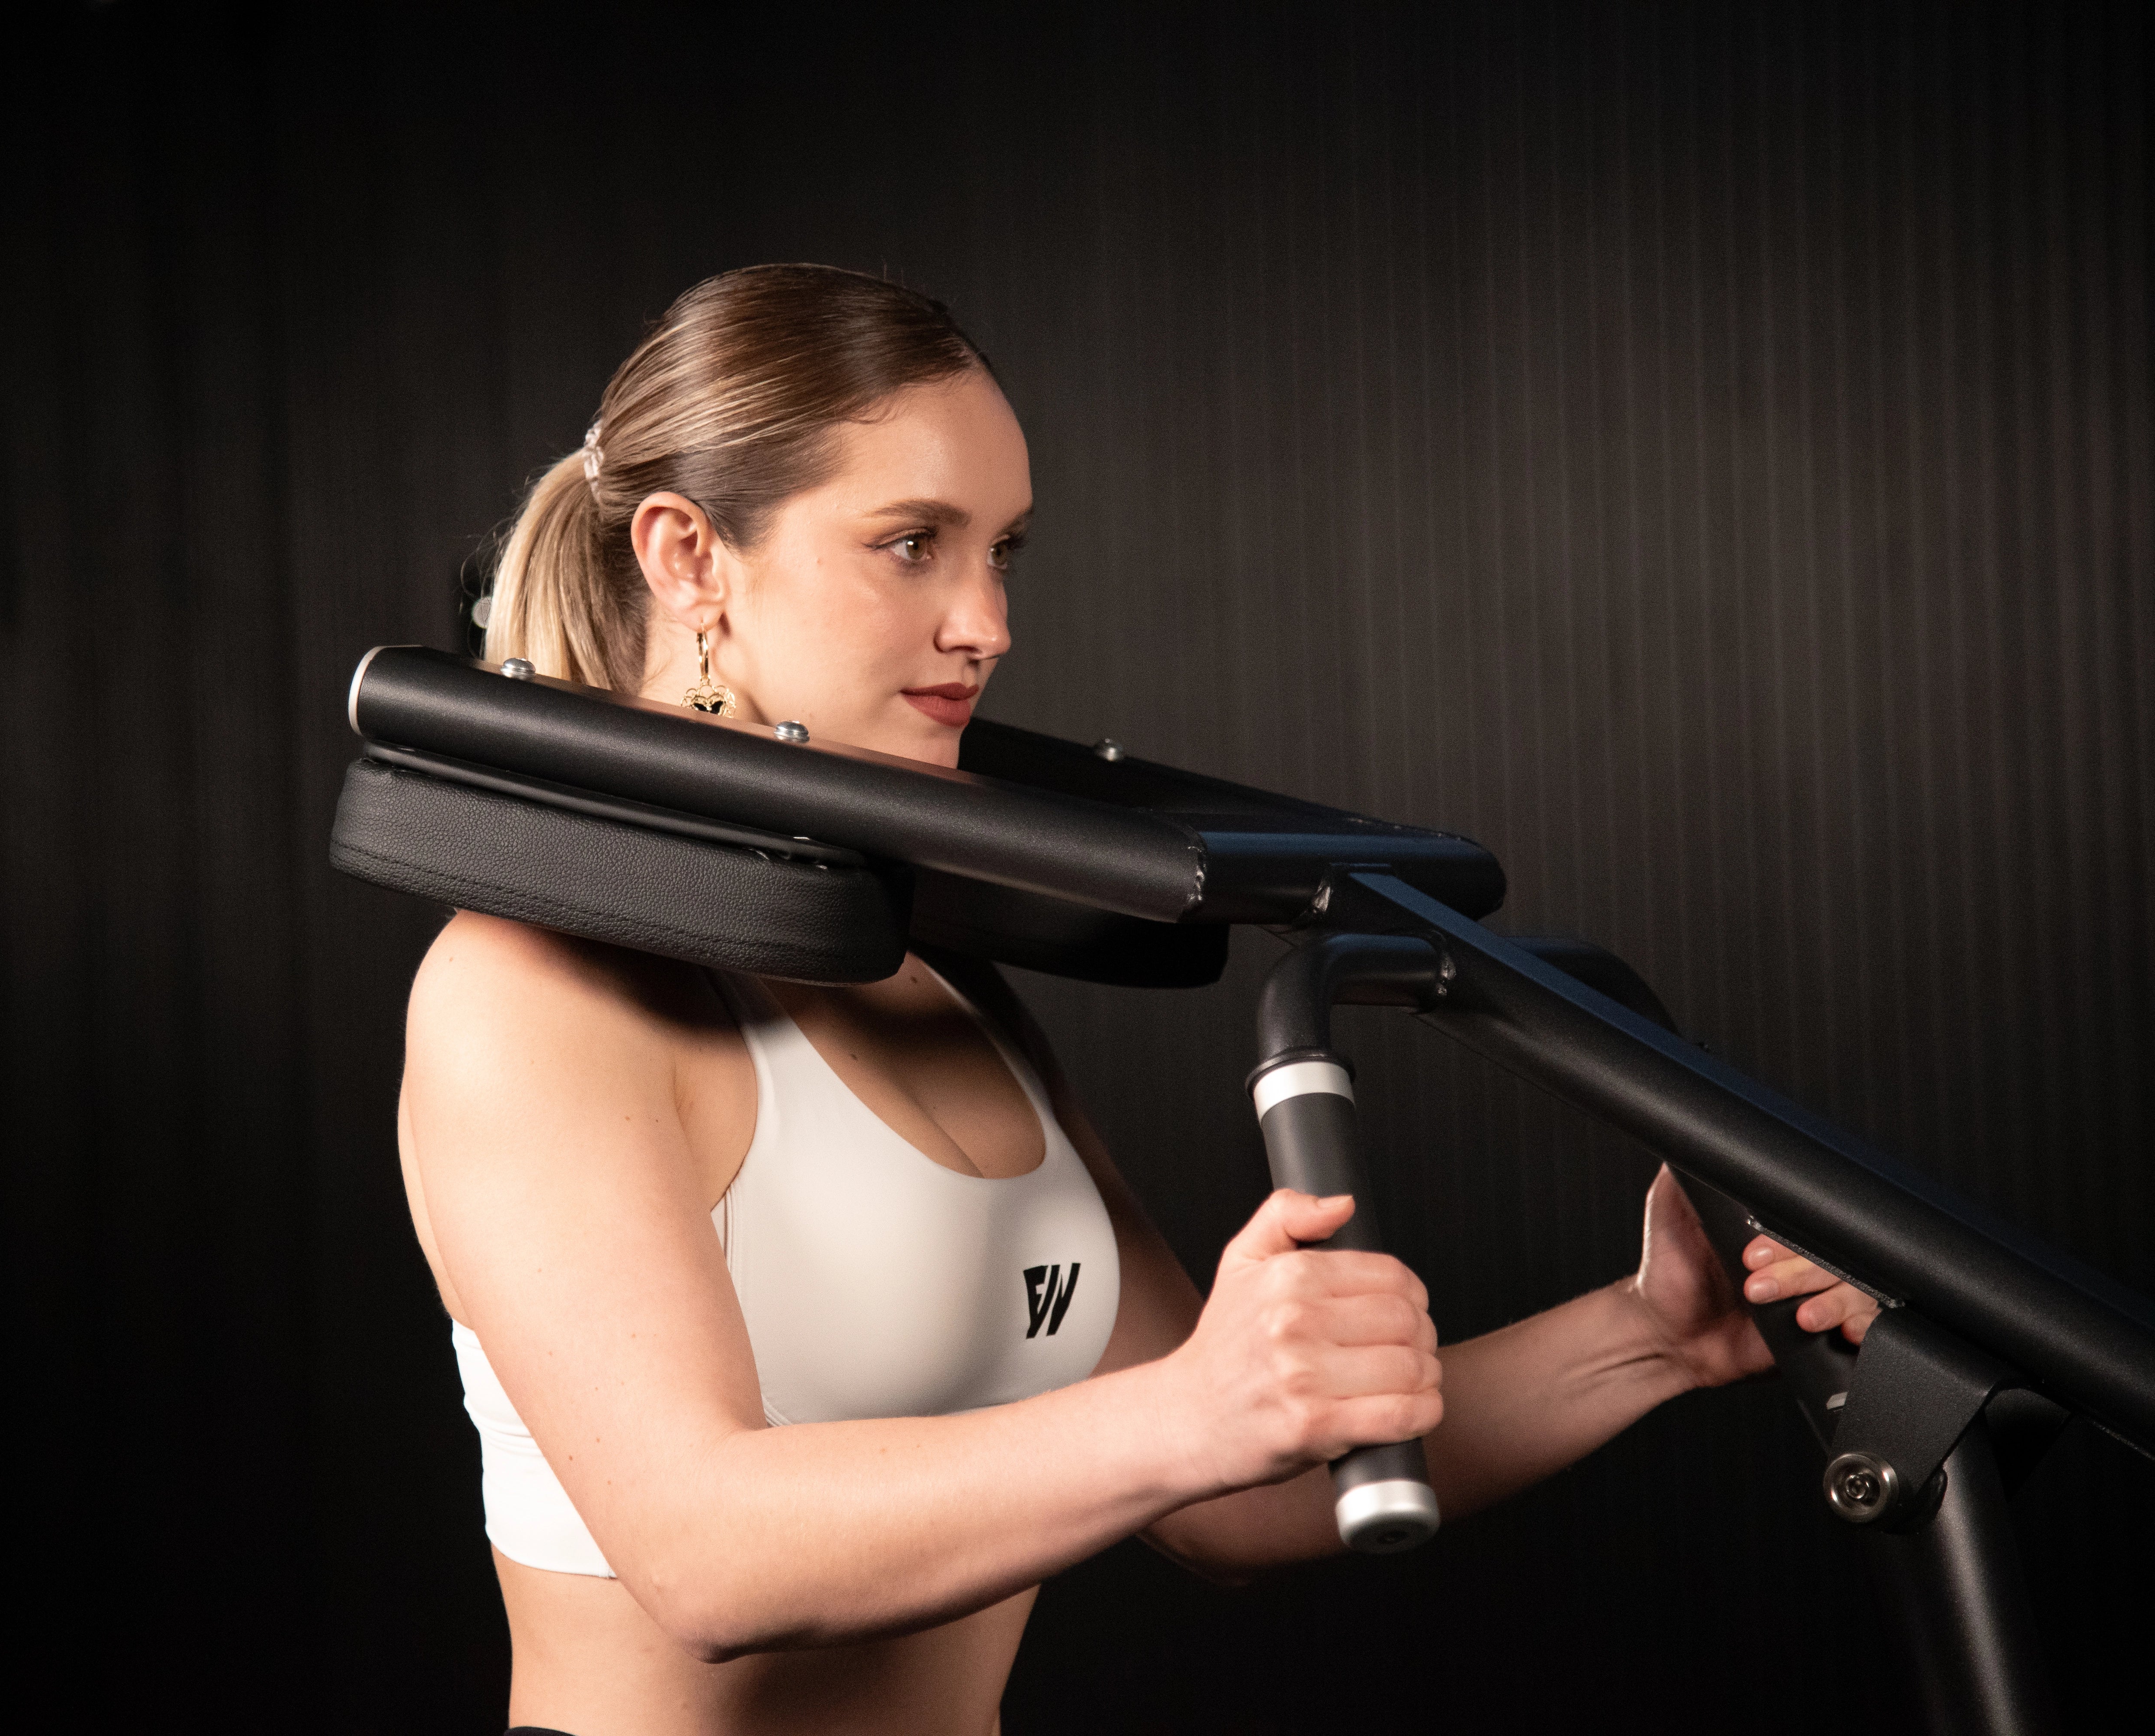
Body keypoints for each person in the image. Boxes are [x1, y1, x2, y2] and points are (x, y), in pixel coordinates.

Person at [397, 265, 1878, 1736]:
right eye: (913, 544)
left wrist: (1654, 1333)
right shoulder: (528, 996)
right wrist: (1195, 1411)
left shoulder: (931, 971)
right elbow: (705, 1554)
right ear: (687, 557)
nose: (986, 622)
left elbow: (1239, 1496)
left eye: (1002, 553)